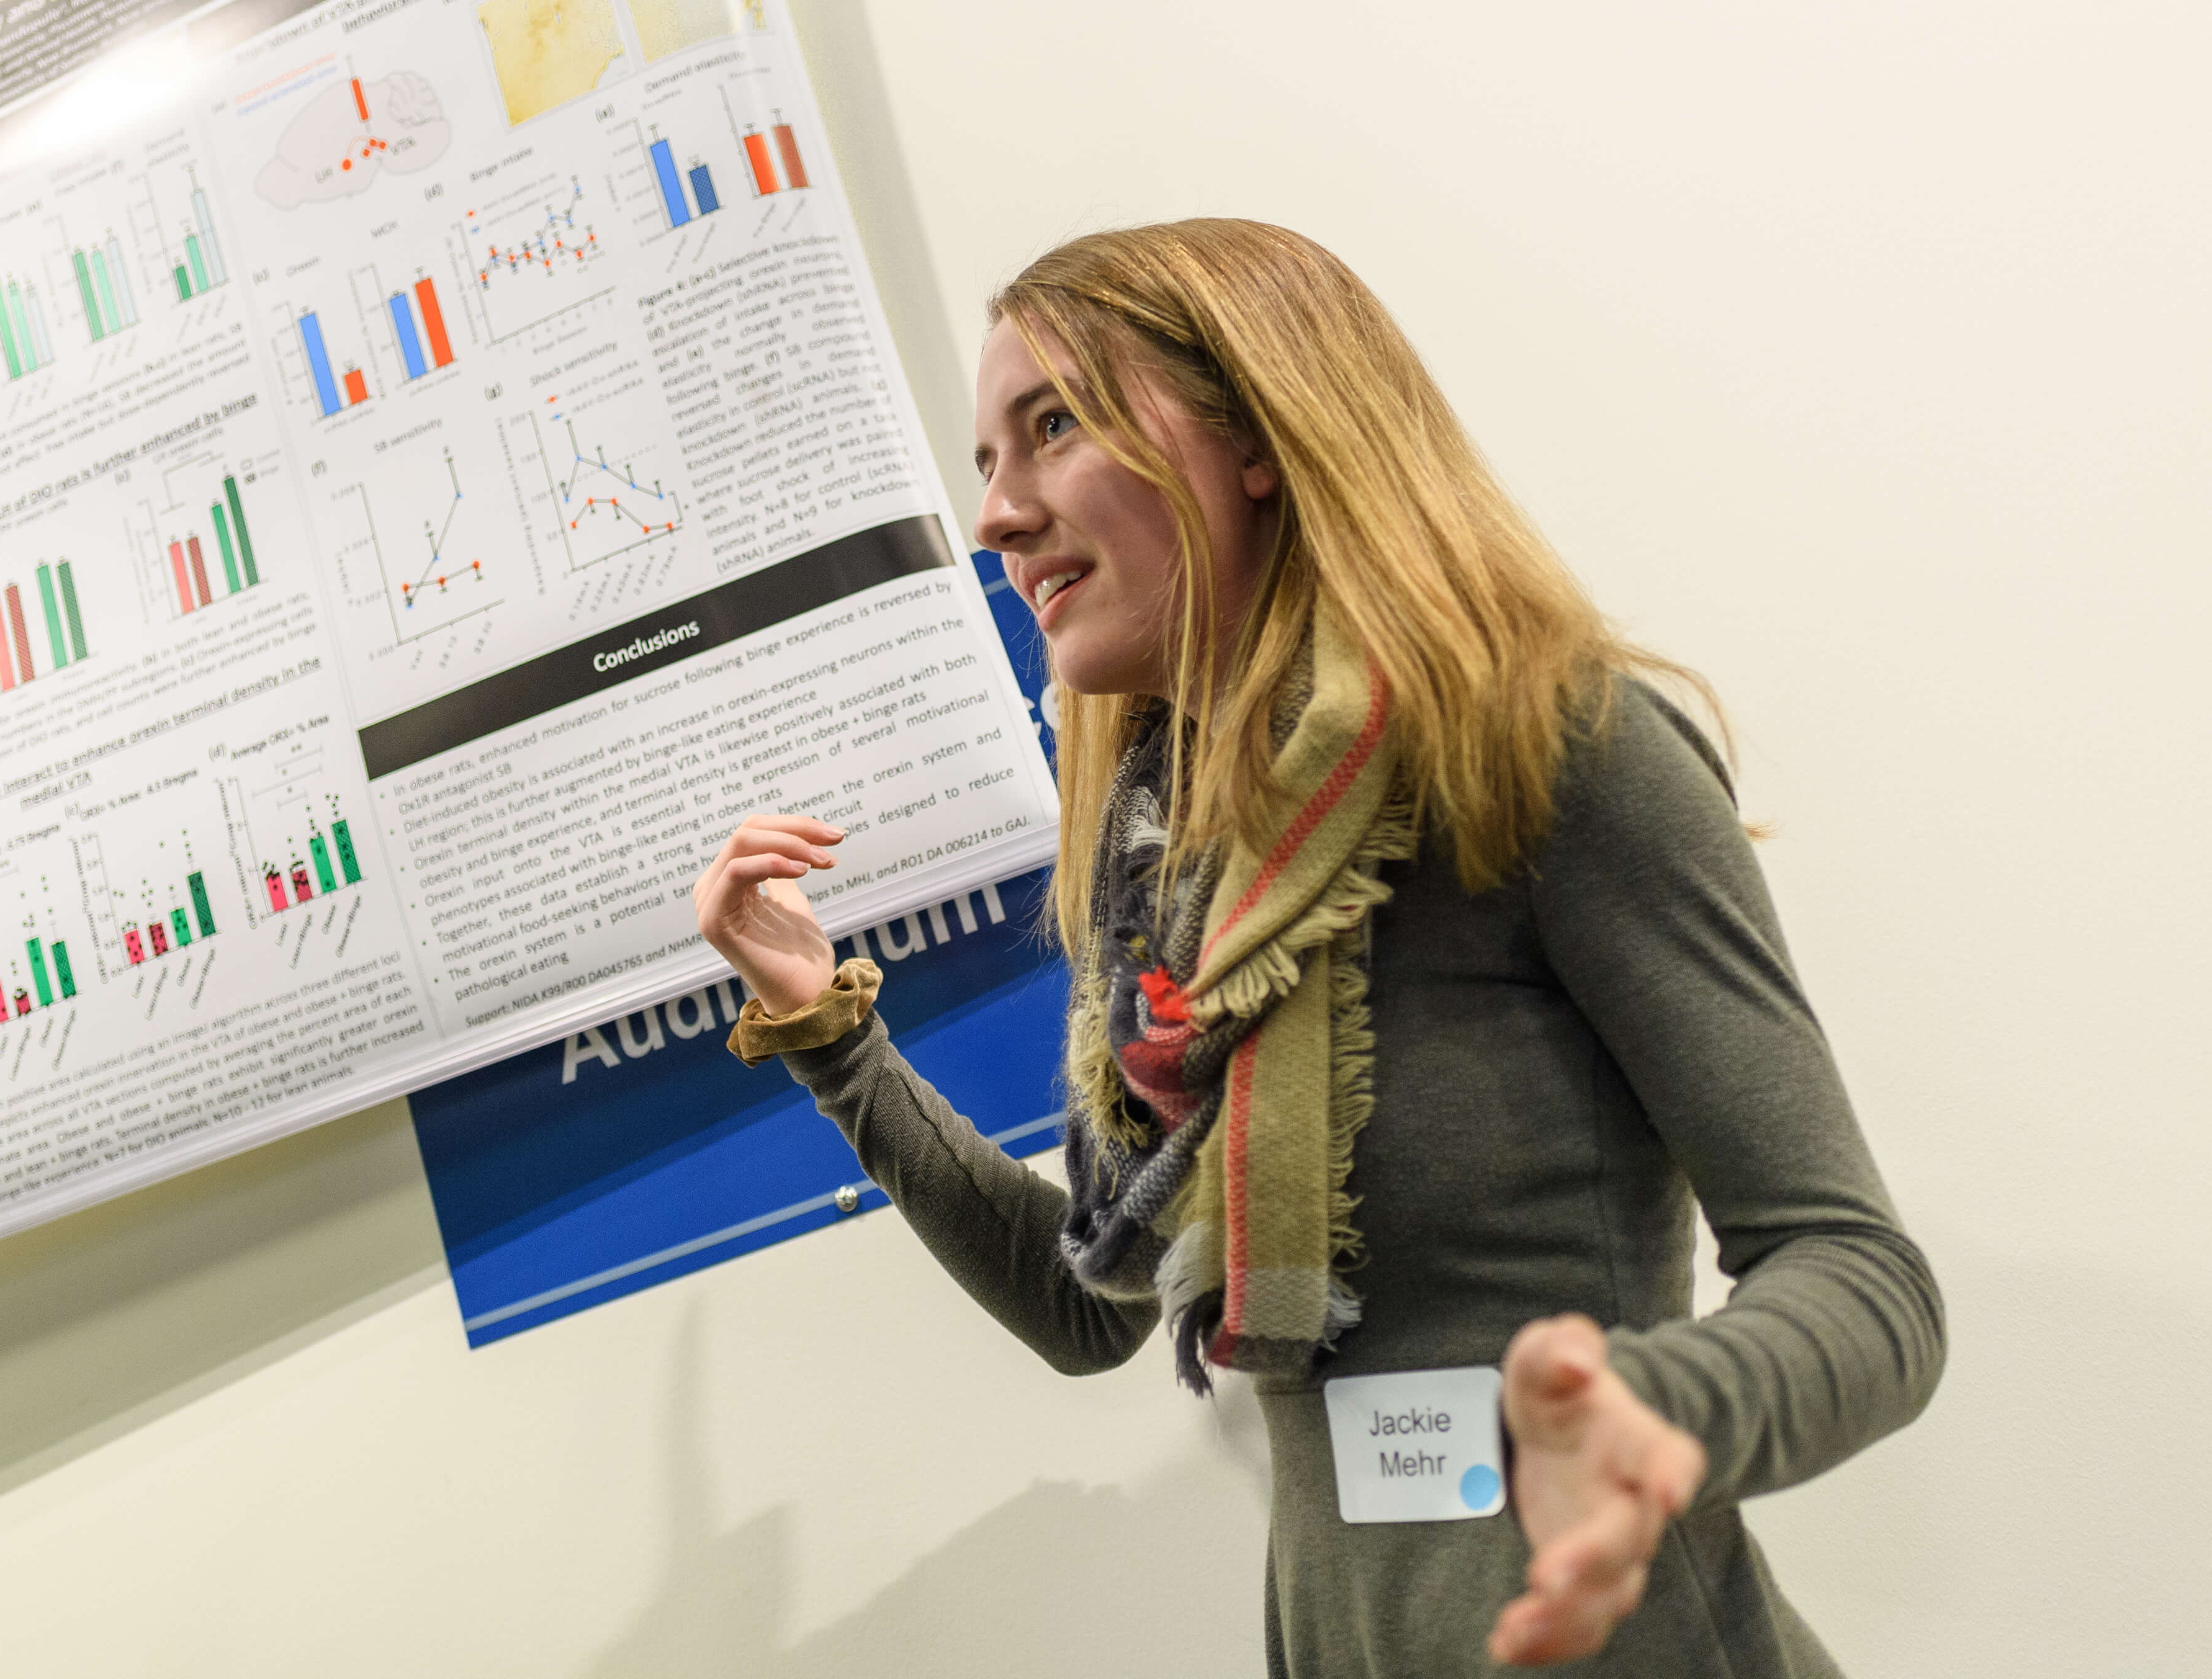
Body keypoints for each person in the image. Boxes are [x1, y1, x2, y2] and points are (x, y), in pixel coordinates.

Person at [692, 220, 1943, 1675]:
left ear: (1260, 438)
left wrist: (1648, 1418)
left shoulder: (1546, 750)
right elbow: (1083, 1304)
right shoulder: (1169, 886)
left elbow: (1865, 1282)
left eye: (1056, 426)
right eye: (987, 460)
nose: (1001, 516)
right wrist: (836, 1044)